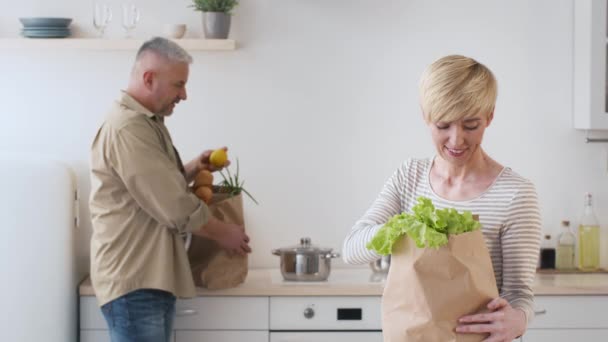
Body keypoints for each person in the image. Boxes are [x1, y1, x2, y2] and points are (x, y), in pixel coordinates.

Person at [342, 55, 541, 341]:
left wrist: (519, 320)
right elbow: (351, 250)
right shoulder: (408, 176)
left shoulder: (516, 193)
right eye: (443, 125)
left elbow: (520, 295)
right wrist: (405, 226)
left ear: (490, 117)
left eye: (471, 125)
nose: (457, 140)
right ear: (426, 116)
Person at [89, 37, 251, 342]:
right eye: (179, 84)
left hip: (145, 278)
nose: (184, 94)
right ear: (149, 78)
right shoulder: (129, 129)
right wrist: (223, 233)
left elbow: (152, 189)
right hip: (136, 279)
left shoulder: (145, 123)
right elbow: (173, 206)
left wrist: (193, 168)